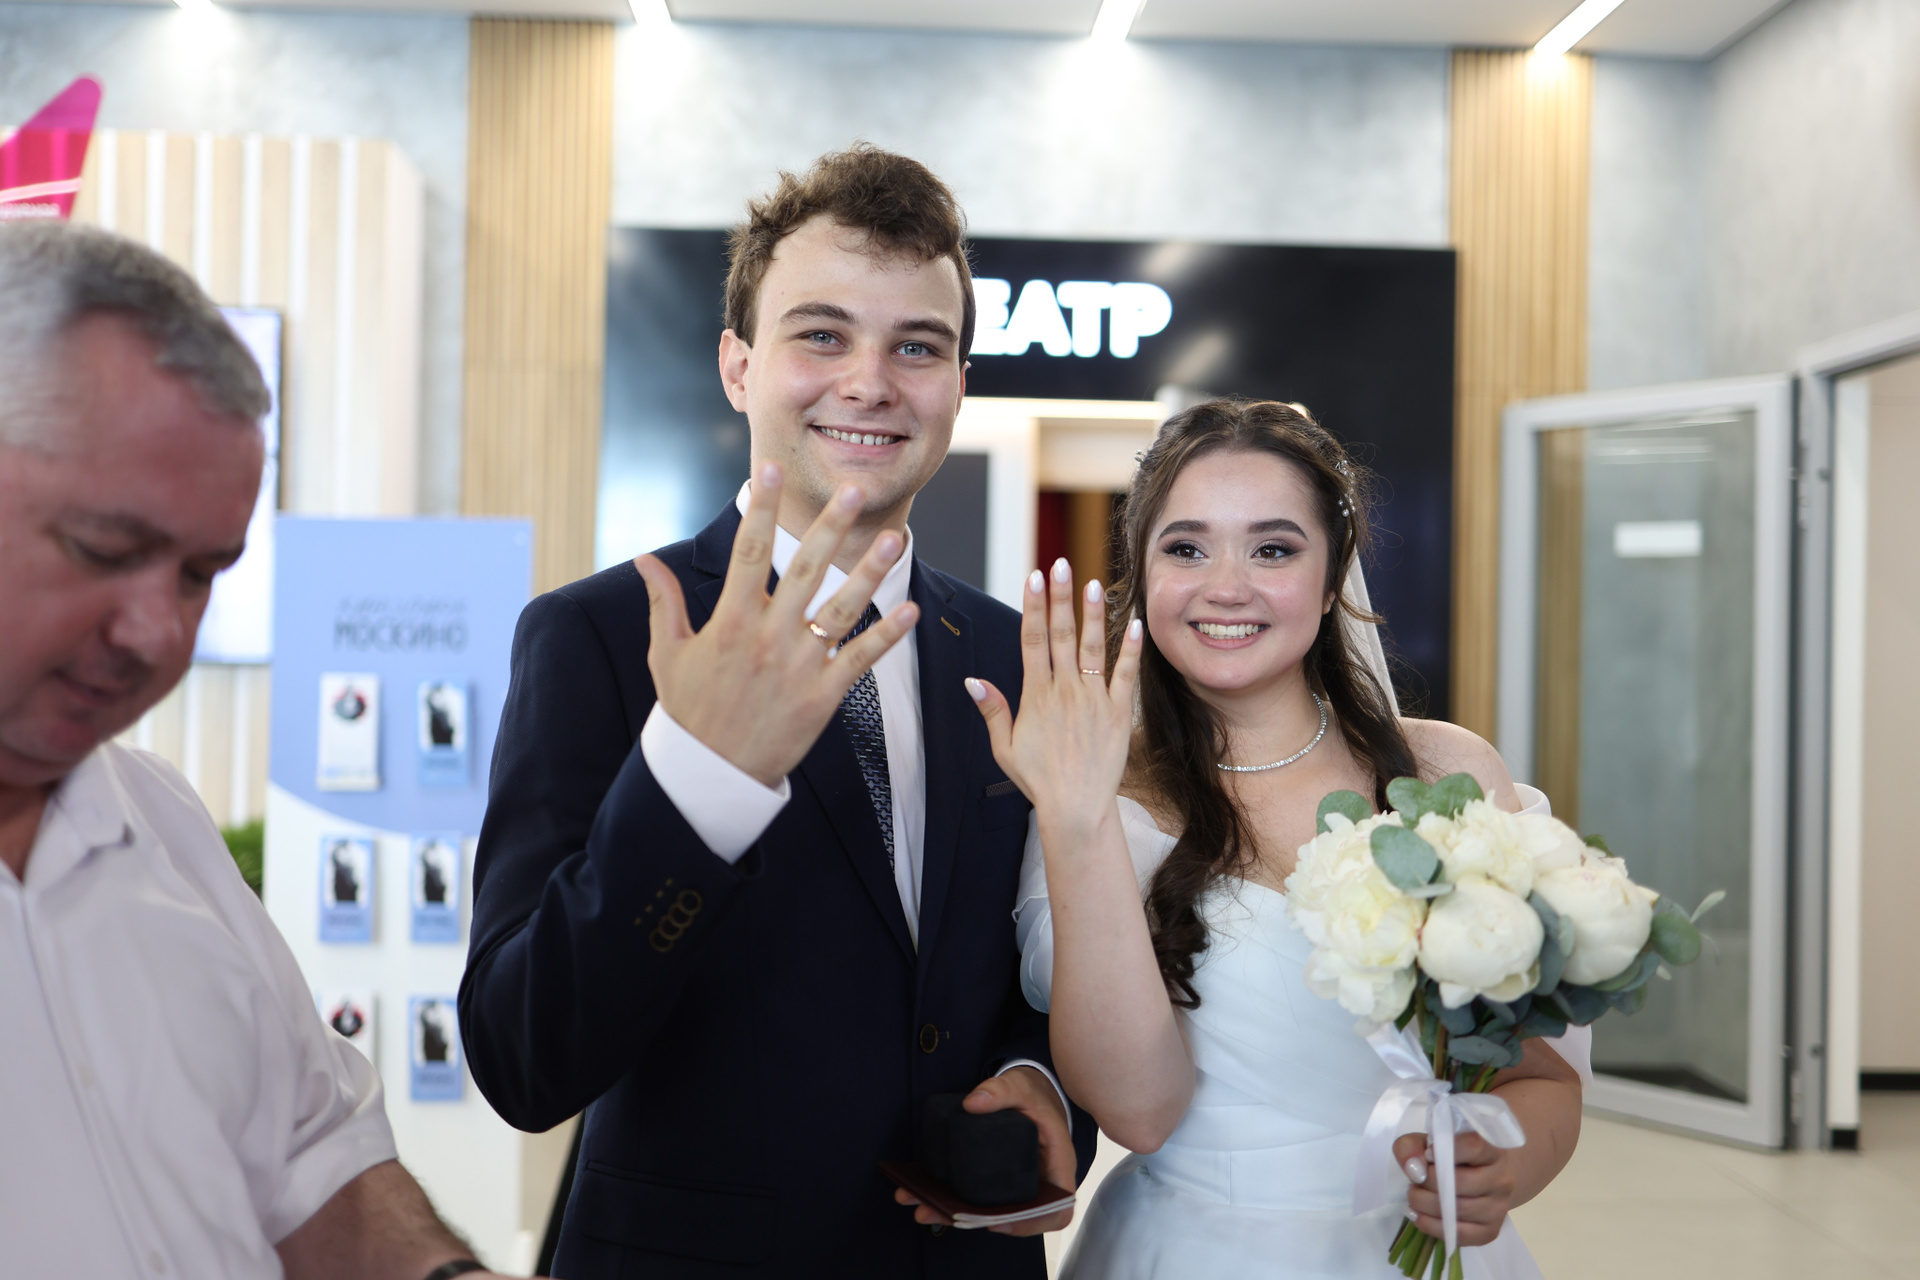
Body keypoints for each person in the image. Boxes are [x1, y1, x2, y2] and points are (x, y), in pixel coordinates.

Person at [460, 145, 1095, 1279]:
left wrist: (1043, 1078)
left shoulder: (1015, 652)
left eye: (917, 346)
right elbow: (523, 1056)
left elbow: (1059, 951)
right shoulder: (601, 635)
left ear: (959, 384)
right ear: (738, 366)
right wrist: (698, 781)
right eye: (822, 335)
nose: (871, 382)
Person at [0, 220, 514, 1280]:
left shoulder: (161, 822)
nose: (157, 632)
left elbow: (315, 1164)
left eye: (200, 574)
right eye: (106, 547)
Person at [968, 400, 1587, 1278]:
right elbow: (1139, 1112)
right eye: (1186, 549)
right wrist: (1078, 819)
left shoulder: (1449, 775)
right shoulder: (1095, 799)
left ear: (1332, 580)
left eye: (1273, 549)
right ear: (1143, 574)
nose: (1227, 586)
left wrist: (1505, 1165)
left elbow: (1543, 1080)